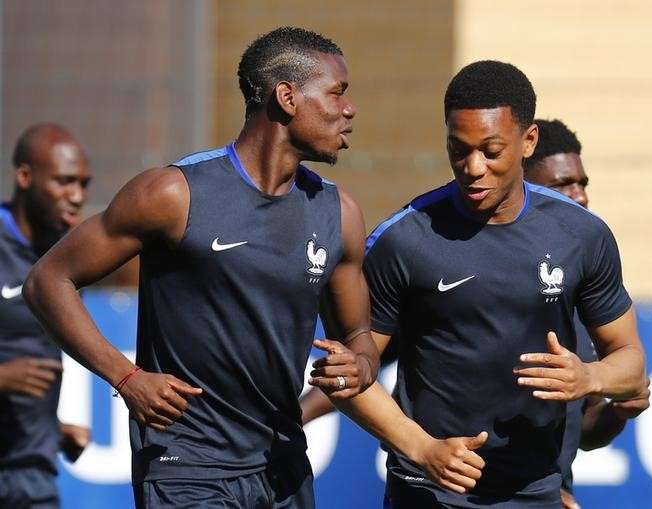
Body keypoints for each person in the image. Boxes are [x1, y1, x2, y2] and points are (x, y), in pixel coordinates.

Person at [23, 27, 384, 509]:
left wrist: (360, 364)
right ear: (287, 97)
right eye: (337, 93)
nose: (349, 109)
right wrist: (126, 377)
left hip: (282, 466)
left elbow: (361, 333)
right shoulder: (173, 194)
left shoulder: (338, 212)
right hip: (187, 466)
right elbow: (48, 280)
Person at [323, 61, 647, 508]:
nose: (473, 167)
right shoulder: (404, 239)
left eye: (491, 151)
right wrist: (421, 448)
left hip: (534, 491)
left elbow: (630, 362)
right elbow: (349, 376)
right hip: (428, 489)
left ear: (527, 141)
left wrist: (590, 376)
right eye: (459, 149)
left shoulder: (581, 235)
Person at [523, 118, 650, 509]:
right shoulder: (482, 282)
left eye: (582, 183)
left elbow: (583, 429)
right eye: (562, 185)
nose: (579, 196)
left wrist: (618, 413)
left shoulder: (580, 288)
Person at [0, 123, 92, 508]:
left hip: (32, 475)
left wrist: (51, 430)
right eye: (64, 182)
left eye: (84, 185)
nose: (76, 196)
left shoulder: (62, 257)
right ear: (24, 177)